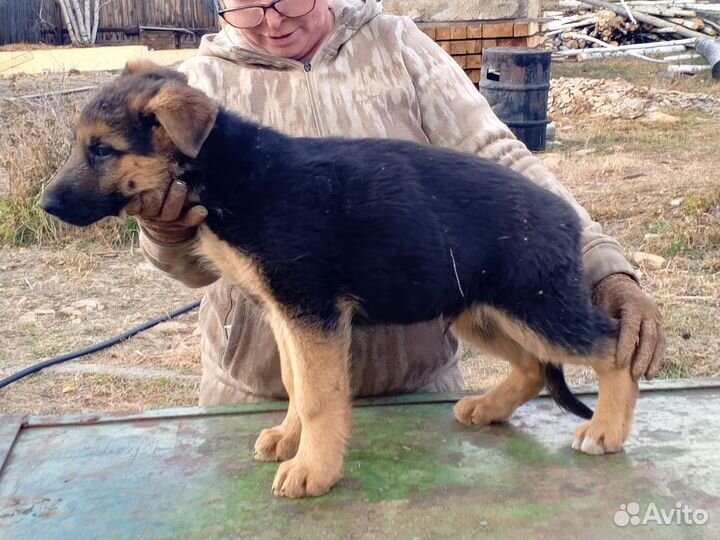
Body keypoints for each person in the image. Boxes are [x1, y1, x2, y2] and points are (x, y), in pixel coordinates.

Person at [132, 0, 665, 406]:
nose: (273, 22)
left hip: (415, 390)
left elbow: (497, 158)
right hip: (261, 397)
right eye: (247, 5)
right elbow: (189, 266)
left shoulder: (395, 46)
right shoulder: (198, 88)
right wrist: (166, 233)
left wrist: (601, 266)